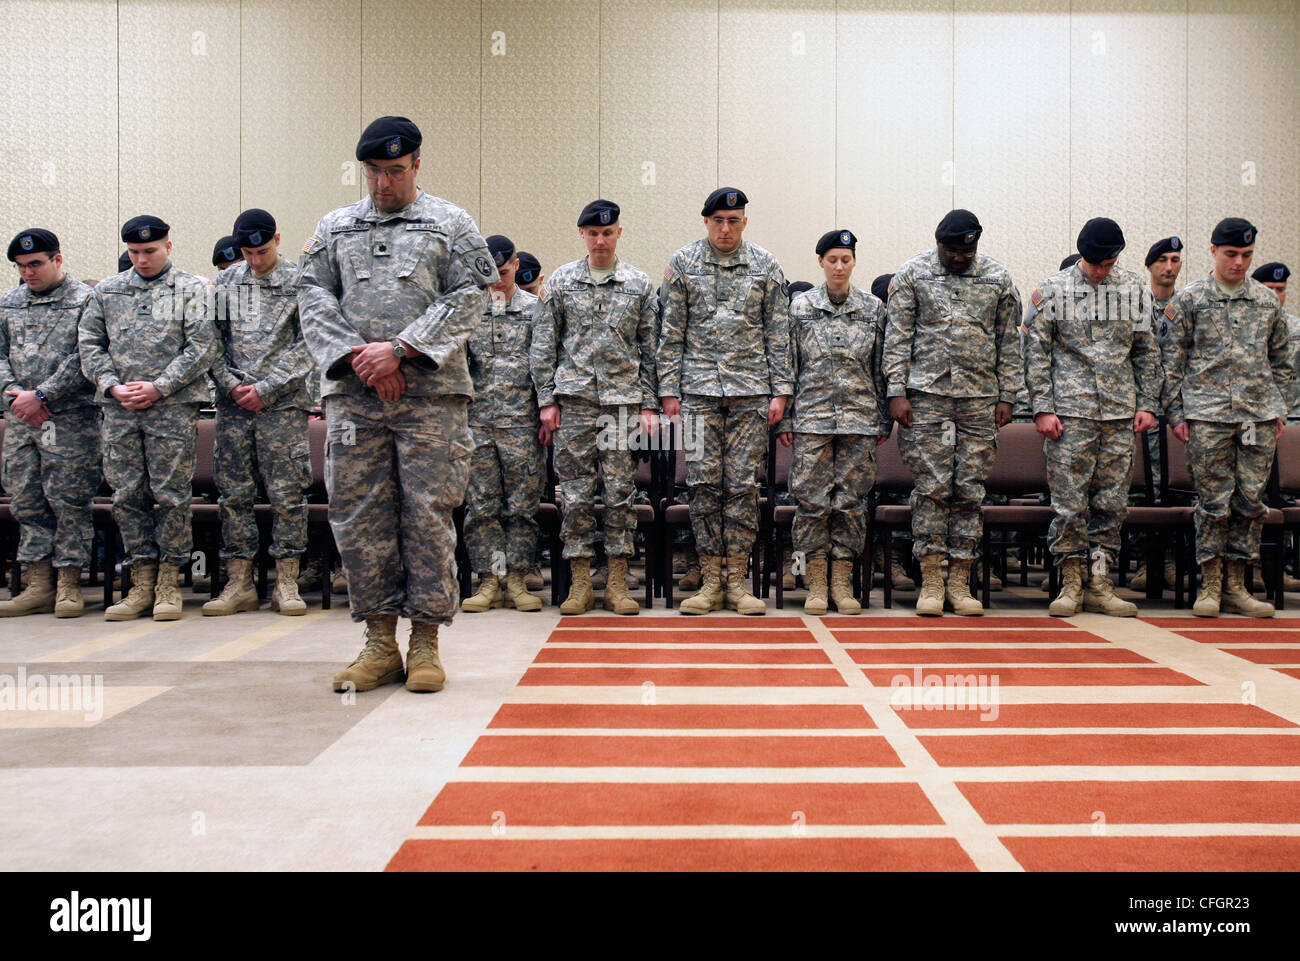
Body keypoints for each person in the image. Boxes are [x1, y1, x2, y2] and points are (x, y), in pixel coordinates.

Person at [297, 116, 497, 693]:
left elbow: (470, 294)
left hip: (430, 400)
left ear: (416, 165)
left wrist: (403, 350)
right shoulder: (334, 228)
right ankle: (380, 642)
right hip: (354, 399)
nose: (382, 184)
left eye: (394, 171)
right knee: (360, 517)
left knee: (427, 515)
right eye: (373, 172)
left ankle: (427, 641)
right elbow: (311, 295)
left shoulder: (451, 224)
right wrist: (360, 357)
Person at [657, 187, 792, 616]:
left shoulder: (766, 265)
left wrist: (781, 390)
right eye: (718, 220)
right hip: (697, 393)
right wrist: (668, 390)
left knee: (741, 488)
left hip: (751, 393)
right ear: (706, 222)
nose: (725, 229)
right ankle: (709, 580)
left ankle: (737, 581)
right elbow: (671, 331)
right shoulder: (683, 264)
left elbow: (778, 332)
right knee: (702, 485)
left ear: (744, 223)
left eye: (733, 221)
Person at [78, 215, 219, 620]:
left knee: (171, 495)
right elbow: (89, 344)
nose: (142, 259)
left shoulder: (191, 290)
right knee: (126, 495)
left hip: (170, 409)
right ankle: (140, 581)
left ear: (168, 247)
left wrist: (160, 386)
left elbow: (202, 346)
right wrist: (111, 385)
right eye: (135, 252)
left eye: (150, 251)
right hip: (120, 409)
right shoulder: (107, 292)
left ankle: (168, 583)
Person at [883, 209, 1023, 616]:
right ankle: (930, 578)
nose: (959, 259)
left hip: (980, 400)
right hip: (926, 399)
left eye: (967, 251)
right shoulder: (912, 274)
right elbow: (898, 337)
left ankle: (960, 580)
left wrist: (1008, 395)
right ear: (938, 242)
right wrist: (896, 392)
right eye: (951, 251)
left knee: (969, 490)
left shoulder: (997, 278)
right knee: (932, 488)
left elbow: (1008, 343)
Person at [1024, 218, 1162, 617]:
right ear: (1082, 255)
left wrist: (1147, 403)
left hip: (1119, 412)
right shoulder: (1054, 289)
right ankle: (1070, 584)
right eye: (1094, 263)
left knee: (1111, 504)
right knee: (1069, 504)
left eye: (1108, 263)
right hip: (1070, 413)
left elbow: (1146, 350)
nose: (1101, 270)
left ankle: (1099, 583)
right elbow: (1037, 354)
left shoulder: (1134, 288)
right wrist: (1043, 408)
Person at [531, 201, 658, 615]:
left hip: (622, 404)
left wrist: (650, 405)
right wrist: (546, 401)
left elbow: (650, 349)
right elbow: (544, 344)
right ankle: (581, 582)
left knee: (621, 493)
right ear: (582, 234)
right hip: (575, 403)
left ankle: (617, 583)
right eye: (593, 233)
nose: (600, 239)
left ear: (619, 233)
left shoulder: (639, 284)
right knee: (576, 493)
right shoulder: (562, 282)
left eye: (608, 232)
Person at [1162, 218, 1293, 617]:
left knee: (1250, 501)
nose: (1239, 263)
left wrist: (1280, 407)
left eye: (1247, 256)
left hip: (1258, 418)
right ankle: (1211, 585)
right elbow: (1172, 361)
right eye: (1232, 254)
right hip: (1207, 417)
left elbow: (1283, 361)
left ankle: (1238, 584)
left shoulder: (1266, 301)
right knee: (1214, 502)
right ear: (1214, 250)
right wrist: (1176, 412)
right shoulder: (1189, 300)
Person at [203, 208, 313, 617]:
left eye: (262, 252)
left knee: (287, 496)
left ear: (278, 240)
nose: (254, 260)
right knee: (234, 496)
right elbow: (209, 342)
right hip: (234, 408)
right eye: (247, 253)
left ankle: (287, 580)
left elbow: (309, 343)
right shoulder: (227, 282)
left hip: (281, 408)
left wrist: (266, 388)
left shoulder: (301, 281)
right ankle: (240, 581)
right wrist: (232, 385)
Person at [778, 230, 889, 615]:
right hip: (811, 419)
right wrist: (786, 417)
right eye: (832, 260)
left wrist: (882, 420)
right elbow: (787, 366)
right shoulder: (800, 308)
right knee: (811, 503)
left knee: (851, 503)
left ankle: (843, 583)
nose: (839, 266)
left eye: (845, 259)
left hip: (860, 421)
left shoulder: (874, 309)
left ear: (854, 261)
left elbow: (881, 370)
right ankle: (815, 583)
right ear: (821, 263)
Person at [0, 229, 100, 617]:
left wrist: (41, 395)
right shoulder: (8, 303)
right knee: (26, 499)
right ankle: (38, 582)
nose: (28, 272)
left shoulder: (84, 300)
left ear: (58, 260)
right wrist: (15, 394)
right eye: (22, 266)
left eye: (36, 264)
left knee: (69, 500)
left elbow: (85, 356)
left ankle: (69, 584)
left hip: (69, 418)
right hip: (22, 420)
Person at [460, 233, 545, 613]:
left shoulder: (535, 309)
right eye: (491, 271)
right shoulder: (469, 310)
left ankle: (517, 580)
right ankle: (490, 580)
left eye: (505, 269)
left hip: (522, 425)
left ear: (515, 266)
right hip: (477, 424)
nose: (498, 277)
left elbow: (545, 365)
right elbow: (458, 368)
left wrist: (547, 409)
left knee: (522, 507)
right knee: (481, 507)